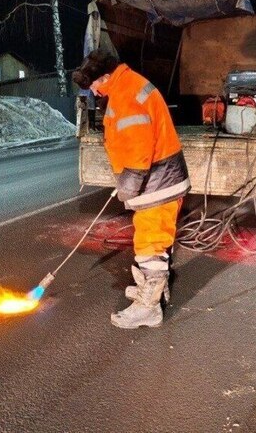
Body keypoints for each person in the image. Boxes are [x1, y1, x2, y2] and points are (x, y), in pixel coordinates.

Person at [72, 49, 190, 329]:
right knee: (154, 239)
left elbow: (139, 151)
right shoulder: (128, 84)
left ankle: (149, 308)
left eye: (95, 86)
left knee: (150, 244)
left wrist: (127, 186)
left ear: (105, 76)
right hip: (161, 180)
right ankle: (155, 290)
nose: (95, 93)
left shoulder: (126, 95)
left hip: (157, 184)